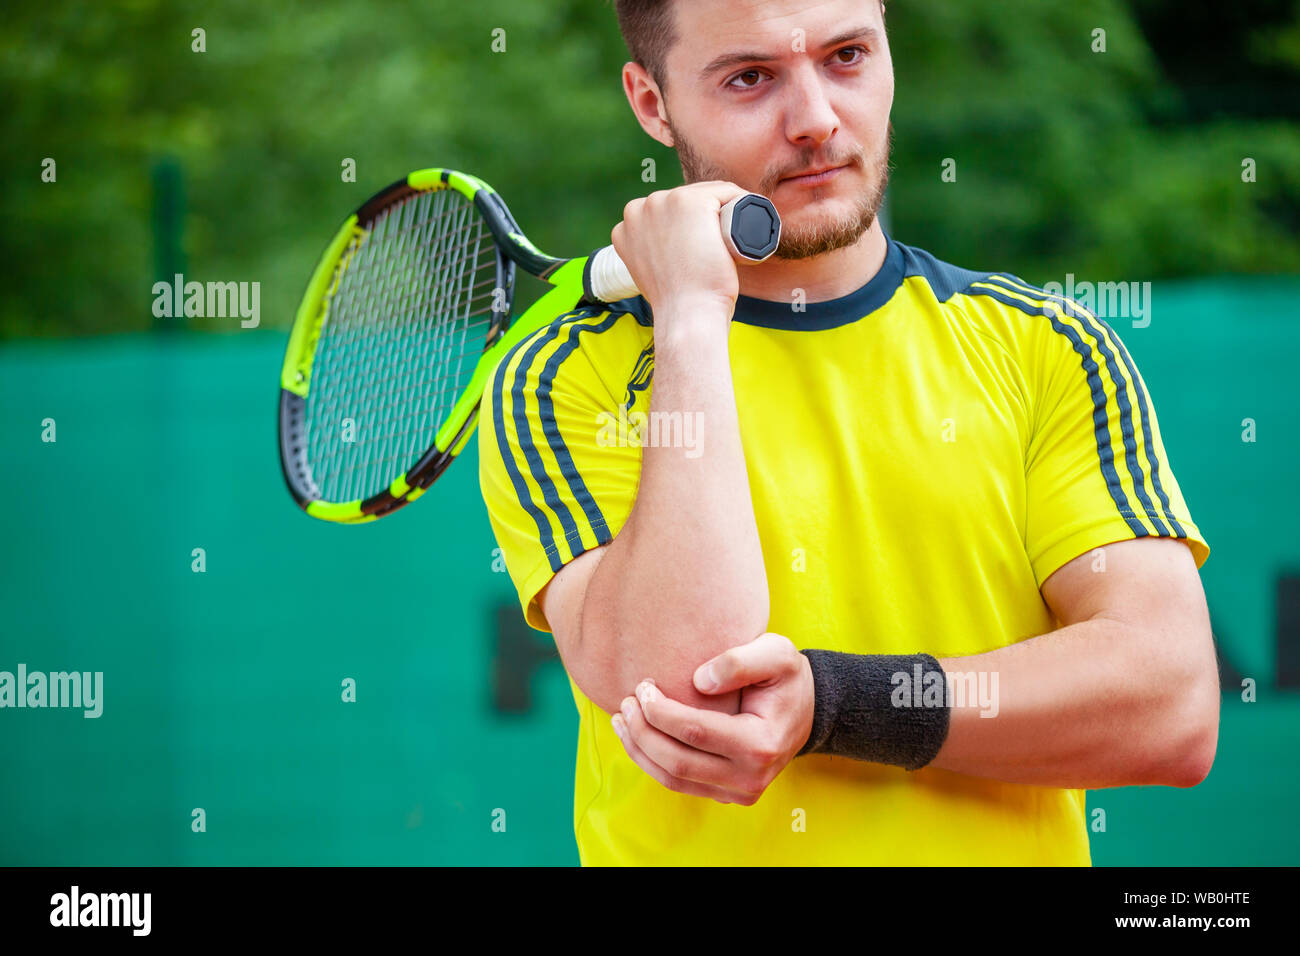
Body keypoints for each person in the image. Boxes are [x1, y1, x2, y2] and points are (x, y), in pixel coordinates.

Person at [478, 0, 1218, 865]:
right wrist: (687, 318)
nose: (818, 120)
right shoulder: (559, 379)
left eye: (848, 56)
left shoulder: (1049, 346)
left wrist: (838, 703)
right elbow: (690, 688)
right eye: (749, 78)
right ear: (651, 102)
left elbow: (1169, 704)